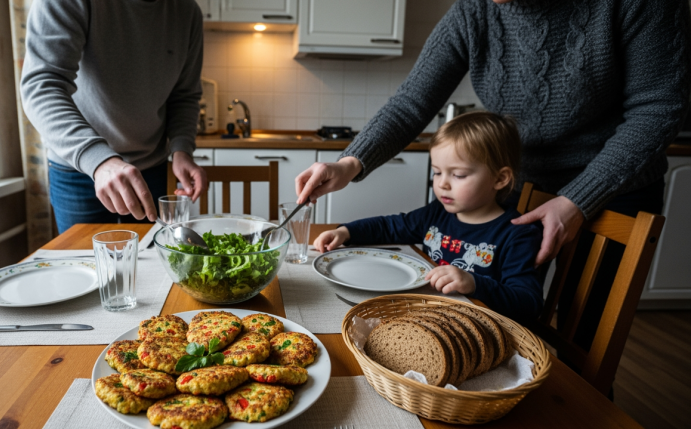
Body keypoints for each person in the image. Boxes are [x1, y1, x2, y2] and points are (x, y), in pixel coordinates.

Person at [296, 0, 690, 269]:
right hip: (518, 186)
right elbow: (412, 101)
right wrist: (351, 163)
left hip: (612, 191)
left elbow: (659, 107)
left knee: (583, 343)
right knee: (503, 308)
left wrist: (578, 199)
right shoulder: (473, 10)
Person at [314, 112, 543, 323]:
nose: (442, 184)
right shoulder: (437, 213)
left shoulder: (517, 234)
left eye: (458, 175)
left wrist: (475, 283)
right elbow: (391, 226)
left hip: (479, 327)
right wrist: (346, 232)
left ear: (500, 179)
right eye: (437, 172)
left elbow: (529, 304)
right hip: (429, 316)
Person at [21, 0, 208, 233]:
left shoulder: (188, 12)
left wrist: (182, 150)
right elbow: (42, 87)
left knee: (153, 254)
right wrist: (98, 159)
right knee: (84, 255)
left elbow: (184, 96)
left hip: (152, 168)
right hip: (79, 169)